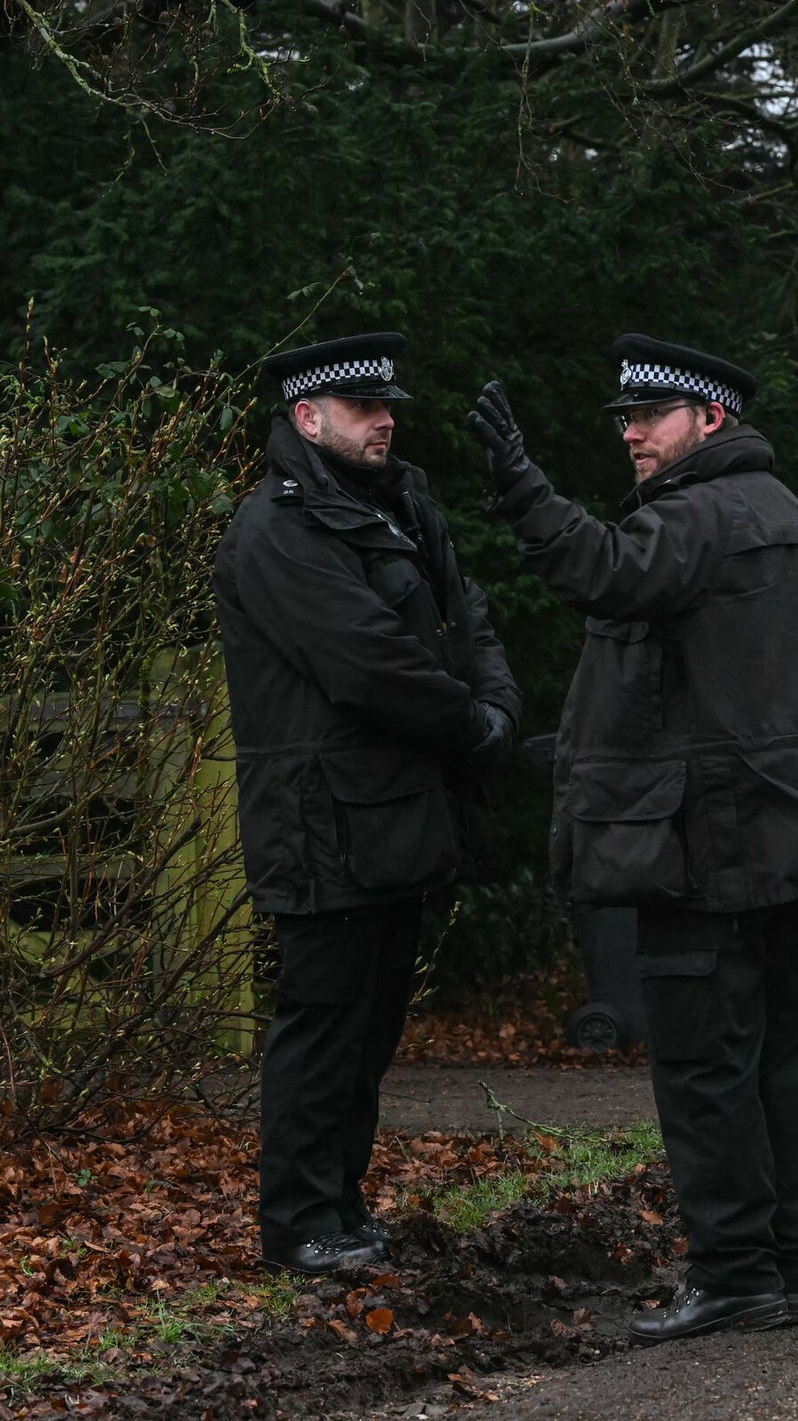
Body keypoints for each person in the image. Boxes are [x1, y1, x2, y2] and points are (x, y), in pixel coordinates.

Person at [466, 334, 798, 1342]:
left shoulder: (698, 517)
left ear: (711, 419)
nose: (632, 434)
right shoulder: (790, 518)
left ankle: (735, 1274)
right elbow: (727, 687)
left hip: (715, 851)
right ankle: (782, 1271)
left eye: (651, 415)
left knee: (705, 1068)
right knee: (776, 1066)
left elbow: (604, 572)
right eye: (626, 418)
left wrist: (522, 488)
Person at [214, 333, 521, 1275]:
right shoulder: (278, 529)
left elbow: (465, 620)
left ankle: (339, 1205)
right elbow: (366, 664)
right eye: (363, 408)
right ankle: (299, 1221)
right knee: (323, 1025)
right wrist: (472, 726)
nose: (385, 420)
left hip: (392, 815)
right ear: (308, 418)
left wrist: (499, 707)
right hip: (322, 822)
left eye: (387, 406)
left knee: (371, 1027)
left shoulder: (399, 508)